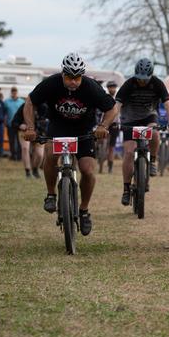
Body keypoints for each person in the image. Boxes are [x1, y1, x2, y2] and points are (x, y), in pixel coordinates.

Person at [21, 52, 117, 236]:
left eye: (77, 77)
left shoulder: (90, 86)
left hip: (84, 130)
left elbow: (112, 108)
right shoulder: (51, 83)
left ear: (82, 75)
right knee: (50, 155)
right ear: (63, 74)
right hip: (59, 127)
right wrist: (31, 128)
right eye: (69, 77)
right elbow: (30, 102)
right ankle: (51, 194)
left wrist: (103, 126)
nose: (73, 81)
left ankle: (84, 210)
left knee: (88, 170)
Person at [115, 58, 169, 206]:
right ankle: (126, 189)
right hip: (129, 120)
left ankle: (153, 160)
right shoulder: (128, 84)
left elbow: (168, 104)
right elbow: (117, 105)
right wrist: (114, 121)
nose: (141, 82)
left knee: (154, 133)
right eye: (139, 79)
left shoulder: (158, 83)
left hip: (148, 116)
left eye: (145, 79)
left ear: (151, 75)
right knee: (129, 152)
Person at [98, 80, 120, 174]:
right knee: (101, 142)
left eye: (114, 87)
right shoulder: (104, 98)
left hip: (115, 124)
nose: (112, 89)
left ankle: (110, 167)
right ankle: (100, 157)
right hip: (104, 123)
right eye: (110, 87)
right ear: (107, 88)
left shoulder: (119, 99)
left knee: (111, 147)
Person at [3, 87, 25, 161]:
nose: (14, 93)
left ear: (17, 92)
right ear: (11, 92)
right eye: (13, 91)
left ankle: (19, 156)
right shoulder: (6, 102)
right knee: (11, 140)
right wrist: (4, 121)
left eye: (15, 91)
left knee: (19, 141)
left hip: (19, 125)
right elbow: (4, 113)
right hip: (10, 125)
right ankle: (13, 155)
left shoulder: (21, 101)